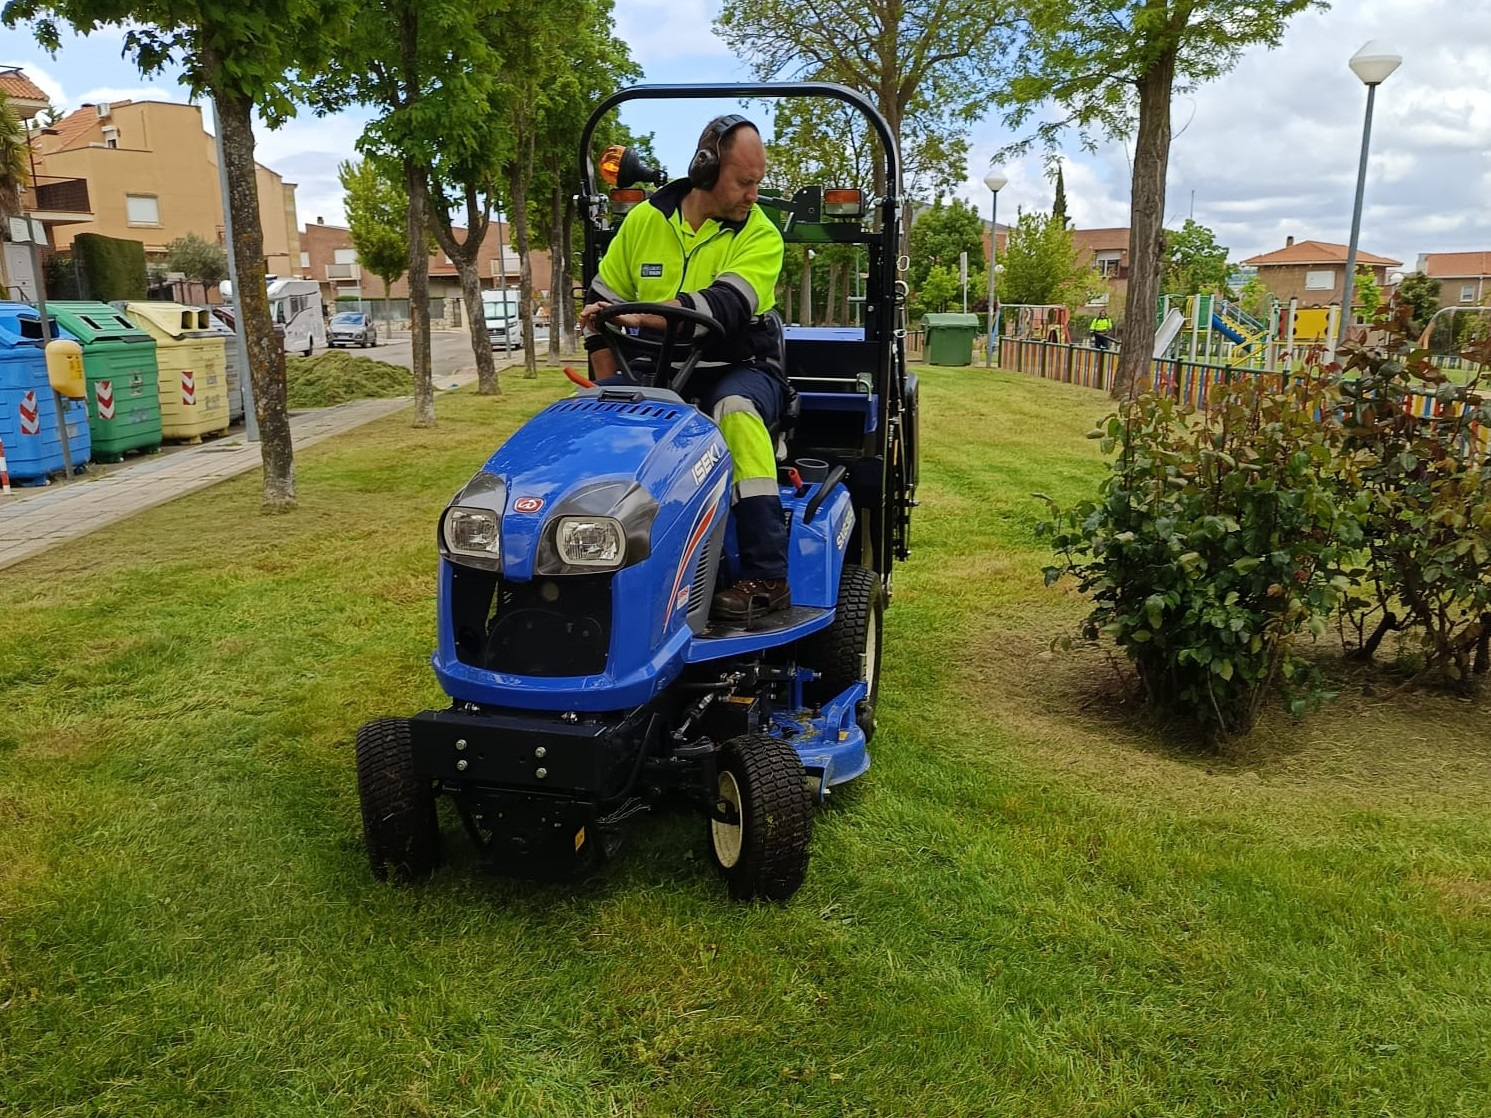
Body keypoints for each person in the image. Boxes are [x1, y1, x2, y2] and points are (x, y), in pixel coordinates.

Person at [581, 114, 791, 624]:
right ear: (704, 170)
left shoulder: (761, 236)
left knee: (733, 411)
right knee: (589, 423)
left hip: (740, 366)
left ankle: (767, 575)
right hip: (654, 372)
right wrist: (607, 386)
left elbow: (721, 307)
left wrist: (638, 314)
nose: (753, 195)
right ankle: (588, 558)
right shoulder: (644, 222)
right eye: (744, 181)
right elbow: (598, 307)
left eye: (758, 181)